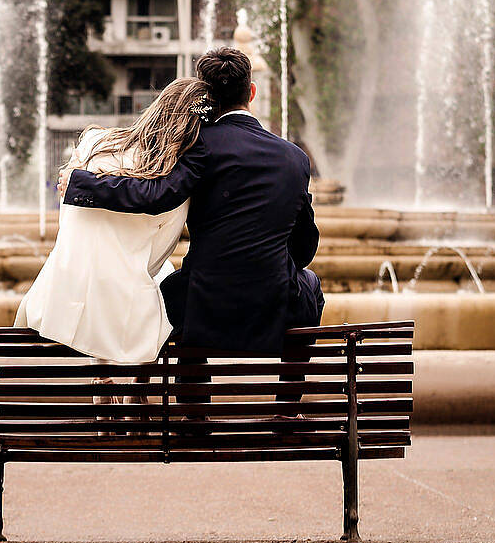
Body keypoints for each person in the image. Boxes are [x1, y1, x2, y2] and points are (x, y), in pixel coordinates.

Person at [58, 47, 322, 355]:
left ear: (206, 96)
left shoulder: (198, 145)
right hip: (275, 303)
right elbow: (304, 249)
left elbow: (156, 196)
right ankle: (288, 399)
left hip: (203, 303)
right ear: (251, 91)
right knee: (310, 282)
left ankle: (190, 398)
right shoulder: (295, 158)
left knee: (168, 292)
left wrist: (82, 182)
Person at [14, 77, 211, 364]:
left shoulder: (94, 143)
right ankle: (135, 395)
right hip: (127, 326)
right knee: (157, 275)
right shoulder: (175, 186)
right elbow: (157, 255)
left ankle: (102, 379)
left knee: (106, 265)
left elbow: (70, 231)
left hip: (55, 304)